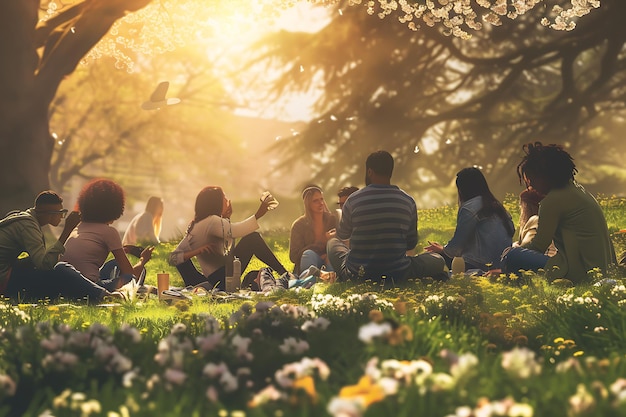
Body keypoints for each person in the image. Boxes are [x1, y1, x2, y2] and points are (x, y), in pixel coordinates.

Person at [501, 142, 616, 283]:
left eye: (532, 178)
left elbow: (538, 246)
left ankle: (512, 284)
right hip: (599, 270)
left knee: (512, 255)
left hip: (578, 272)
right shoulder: (577, 190)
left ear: (545, 175)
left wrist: (516, 249)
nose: (531, 185)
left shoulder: (552, 201)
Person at [326, 150, 448, 283]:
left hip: (358, 273)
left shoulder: (353, 200)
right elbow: (411, 243)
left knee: (332, 243)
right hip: (398, 271)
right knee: (437, 260)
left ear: (370, 172)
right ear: (390, 171)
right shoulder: (407, 201)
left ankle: (341, 276)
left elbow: (343, 234)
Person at [169, 186, 292, 290]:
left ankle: (283, 275)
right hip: (221, 277)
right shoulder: (212, 221)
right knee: (252, 239)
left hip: (219, 277)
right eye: (224, 198)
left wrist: (227, 218)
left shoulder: (200, 224)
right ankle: (285, 274)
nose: (227, 201)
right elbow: (236, 231)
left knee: (252, 267)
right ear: (215, 202)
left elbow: (228, 250)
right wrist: (259, 213)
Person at [0, 191, 114, 302]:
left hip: (7, 274)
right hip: (4, 281)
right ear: (43, 212)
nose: (61, 217)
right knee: (61, 269)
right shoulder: (28, 226)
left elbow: (37, 261)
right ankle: (104, 296)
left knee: (59, 276)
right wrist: (67, 230)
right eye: (59, 213)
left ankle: (98, 290)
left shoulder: (24, 219)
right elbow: (45, 264)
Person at [61, 179, 153, 291]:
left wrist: (122, 250)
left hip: (65, 282)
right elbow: (131, 275)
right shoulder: (109, 232)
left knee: (114, 264)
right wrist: (143, 259)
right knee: (130, 278)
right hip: (89, 286)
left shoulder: (79, 227)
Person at [425, 167, 515, 271]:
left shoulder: (469, 208)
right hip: (503, 265)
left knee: (432, 258)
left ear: (462, 189)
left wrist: (442, 250)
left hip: (477, 264)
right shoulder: (498, 207)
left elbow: (456, 247)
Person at [289, 185, 337, 274]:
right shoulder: (299, 225)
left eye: (321, 199)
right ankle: (309, 283)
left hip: (328, 258)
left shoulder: (331, 220)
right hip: (310, 260)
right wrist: (316, 247)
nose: (321, 203)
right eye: (316, 201)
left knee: (332, 256)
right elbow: (293, 256)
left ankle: (330, 281)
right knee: (308, 254)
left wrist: (327, 254)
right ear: (308, 204)